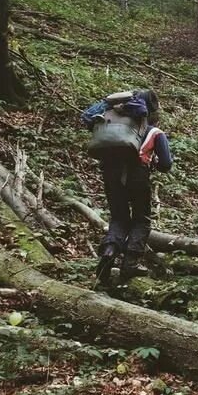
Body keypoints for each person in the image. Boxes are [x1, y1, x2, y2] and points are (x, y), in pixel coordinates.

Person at [80, 89, 173, 283]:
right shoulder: (155, 132)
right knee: (142, 218)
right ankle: (130, 262)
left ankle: (109, 252)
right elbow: (166, 164)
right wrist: (153, 161)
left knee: (119, 217)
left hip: (111, 174)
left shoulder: (109, 121)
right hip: (138, 175)